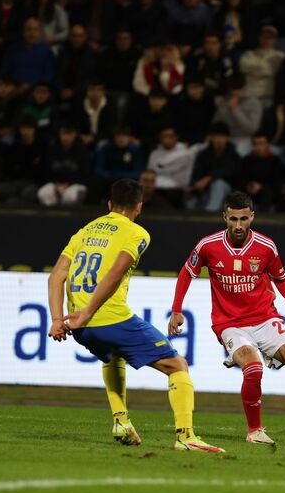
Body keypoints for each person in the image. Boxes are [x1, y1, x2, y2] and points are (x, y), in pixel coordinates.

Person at [48, 179, 224, 453]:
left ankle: (121, 422)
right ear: (139, 206)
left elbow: (56, 275)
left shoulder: (84, 231)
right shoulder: (136, 233)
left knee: (113, 355)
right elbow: (115, 273)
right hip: (109, 318)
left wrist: (58, 319)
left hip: (80, 327)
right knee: (177, 365)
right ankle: (186, 436)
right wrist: (89, 313)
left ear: (109, 204)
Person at [168, 191, 285, 445]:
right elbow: (186, 273)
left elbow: (280, 278)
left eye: (243, 219)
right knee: (254, 369)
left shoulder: (266, 247)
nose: (238, 225)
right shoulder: (208, 246)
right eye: (233, 219)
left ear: (252, 216)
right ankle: (254, 431)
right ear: (224, 217)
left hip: (265, 317)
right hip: (230, 323)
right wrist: (177, 309)